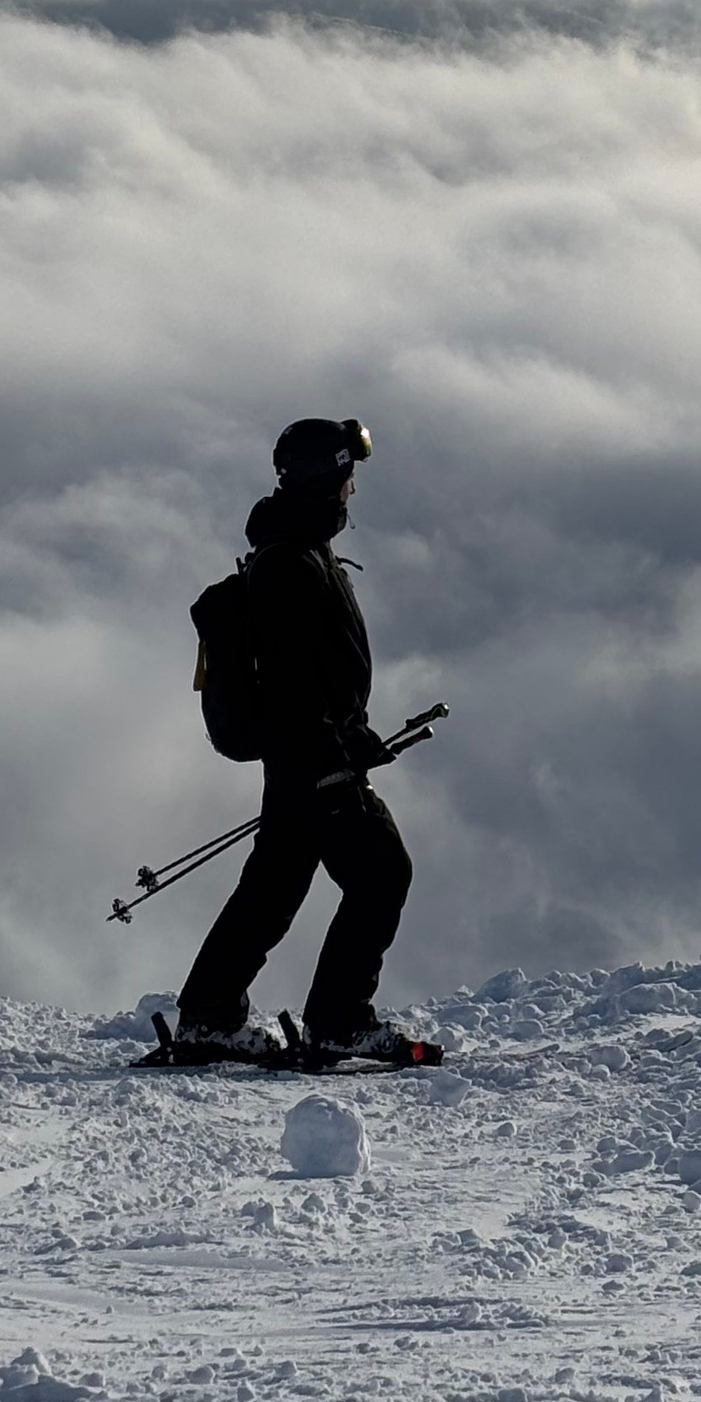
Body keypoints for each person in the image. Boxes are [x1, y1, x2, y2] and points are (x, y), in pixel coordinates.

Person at [171, 416, 416, 1062]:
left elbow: (312, 674)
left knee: (275, 884)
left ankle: (209, 1013)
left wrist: (351, 733)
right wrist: (338, 753)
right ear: (322, 480)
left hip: (305, 755)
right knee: (382, 873)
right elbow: (295, 683)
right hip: (313, 760)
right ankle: (337, 1018)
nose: (351, 491)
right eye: (345, 477)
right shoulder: (289, 564)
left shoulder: (295, 549)